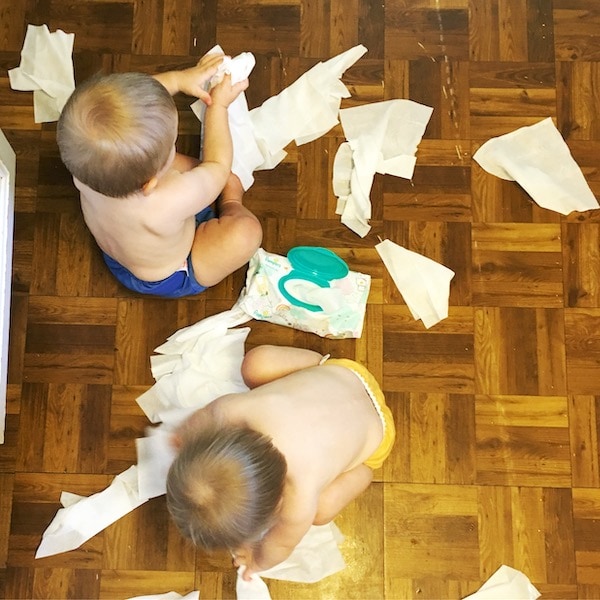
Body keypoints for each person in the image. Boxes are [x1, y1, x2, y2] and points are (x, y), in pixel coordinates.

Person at [166, 344, 396, 580]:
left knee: (322, 511)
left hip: (378, 430)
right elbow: (205, 417)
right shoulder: (234, 409)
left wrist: (257, 561)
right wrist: (185, 434)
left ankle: (364, 472)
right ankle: (316, 362)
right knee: (256, 364)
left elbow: (281, 544)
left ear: (275, 504)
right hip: (345, 373)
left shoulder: (301, 495)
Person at [56, 52, 263, 297]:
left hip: (122, 254)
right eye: (171, 145)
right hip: (170, 272)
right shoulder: (166, 201)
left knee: (160, 157)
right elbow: (218, 166)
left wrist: (177, 80)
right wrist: (219, 106)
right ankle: (231, 204)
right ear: (150, 183)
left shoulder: (82, 163)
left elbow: (128, 104)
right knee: (246, 233)